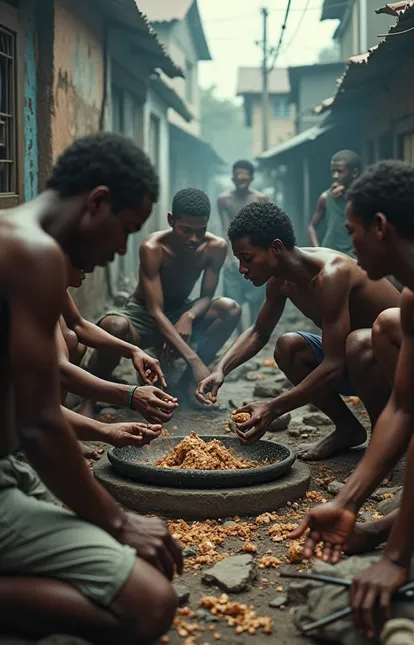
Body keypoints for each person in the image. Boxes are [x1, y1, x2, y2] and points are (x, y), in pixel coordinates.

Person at [0, 132, 182, 642]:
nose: (121, 249)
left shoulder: (21, 240)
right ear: (97, 201)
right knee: (152, 603)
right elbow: (40, 422)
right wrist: (120, 522)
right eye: (124, 230)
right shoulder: (34, 254)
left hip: (11, 464)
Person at [292, 161, 414, 642]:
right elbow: (404, 410)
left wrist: (394, 557)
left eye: (352, 231)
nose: (349, 244)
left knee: (378, 592)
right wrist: (347, 503)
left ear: (380, 227)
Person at [196, 201, 400, 460]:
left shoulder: (331, 275)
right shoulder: (279, 282)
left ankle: (386, 443)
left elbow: (334, 364)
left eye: (247, 258)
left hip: (401, 369)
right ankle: (348, 429)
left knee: (358, 342)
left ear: (276, 248)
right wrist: (220, 369)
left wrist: (271, 408)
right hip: (356, 365)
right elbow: (259, 332)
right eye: (239, 260)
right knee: (288, 347)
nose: (242, 269)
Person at [89, 188, 241, 408]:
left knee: (230, 309)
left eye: (201, 230)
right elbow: (155, 312)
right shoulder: (153, 247)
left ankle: (189, 384)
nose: (194, 239)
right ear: (171, 220)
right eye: (186, 230)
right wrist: (194, 360)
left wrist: (188, 315)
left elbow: (207, 296)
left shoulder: (216, 248)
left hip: (180, 309)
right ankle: (90, 396)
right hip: (144, 313)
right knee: (113, 325)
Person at [59, 262, 178, 423]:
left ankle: (60, 413)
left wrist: (133, 351)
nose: (90, 268)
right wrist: (130, 396)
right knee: (71, 341)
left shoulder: (56, 285)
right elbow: (61, 371)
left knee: (75, 342)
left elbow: (78, 324)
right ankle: (52, 419)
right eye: (83, 259)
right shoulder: (37, 283)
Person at [218, 160, 267, 333]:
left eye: (245, 175)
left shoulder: (260, 199)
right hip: (234, 255)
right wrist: (230, 258)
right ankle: (240, 336)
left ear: (252, 178)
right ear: (233, 178)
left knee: (256, 298)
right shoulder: (224, 199)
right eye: (238, 175)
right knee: (233, 301)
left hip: (255, 255)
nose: (241, 178)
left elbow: (263, 229)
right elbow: (226, 229)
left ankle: (255, 333)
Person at [308, 150, 361, 256]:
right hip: (330, 255)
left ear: (354, 173)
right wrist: (318, 249)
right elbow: (312, 227)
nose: (335, 176)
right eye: (333, 171)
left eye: (340, 171)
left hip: (355, 255)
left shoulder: (363, 198)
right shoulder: (326, 197)